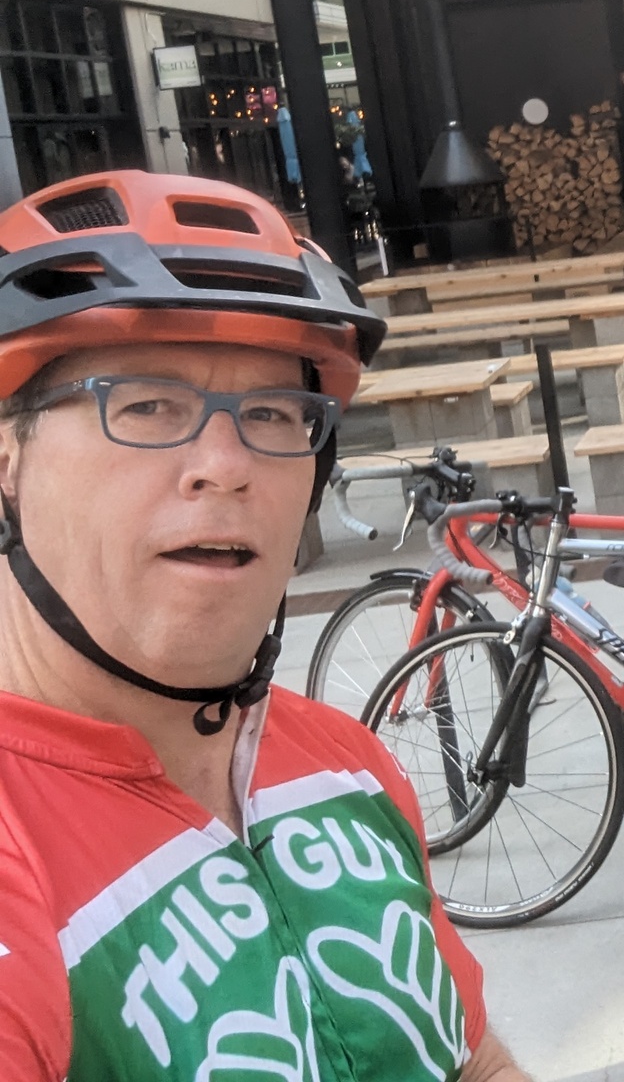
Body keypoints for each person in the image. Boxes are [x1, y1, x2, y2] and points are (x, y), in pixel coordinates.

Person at [0, 171, 525, 1081]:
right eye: (147, 403)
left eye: (273, 414)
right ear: (8, 457)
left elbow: (470, 1058)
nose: (226, 464)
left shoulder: (346, 764)